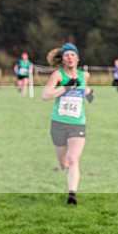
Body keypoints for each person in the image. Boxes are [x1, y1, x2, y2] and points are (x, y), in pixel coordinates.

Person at [42, 43, 94, 205]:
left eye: (72, 54)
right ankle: (64, 167)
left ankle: (72, 194)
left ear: (77, 58)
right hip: (58, 123)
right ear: (63, 59)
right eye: (66, 55)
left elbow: (86, 87)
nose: (70, 57)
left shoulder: (84, 75)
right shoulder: (58, 75)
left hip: (78, 123)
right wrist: (65, 88)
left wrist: (89, 94)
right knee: (63, 163)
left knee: (73, 159)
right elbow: (45, 95)